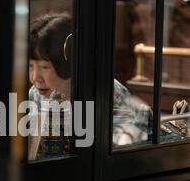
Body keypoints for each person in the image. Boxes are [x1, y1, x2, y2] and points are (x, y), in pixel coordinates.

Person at [29, 13, 152, 149]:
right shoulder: (35, 94)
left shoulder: (107, 92)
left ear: (69, 61)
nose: (35, 77)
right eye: (30, 66)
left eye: (44, 67)